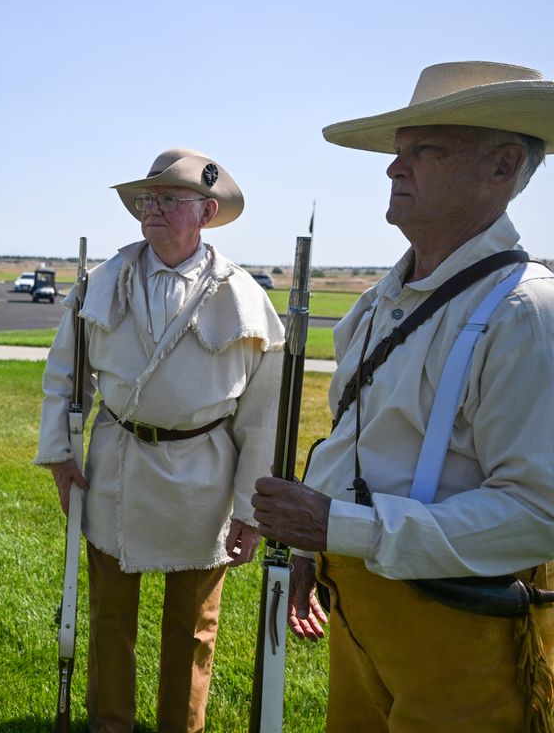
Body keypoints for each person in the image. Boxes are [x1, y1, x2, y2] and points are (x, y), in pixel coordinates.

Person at [252, 62, 554, 732]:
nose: (395, 169)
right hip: (360, 609)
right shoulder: (375, 303)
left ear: (502, 166)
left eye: (426, 152)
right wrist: (312, 550)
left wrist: (339, 528)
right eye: (399, 152)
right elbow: (352, 435)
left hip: (466, 631)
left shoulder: (525, 313)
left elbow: (538, 513)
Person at [36, 149, 285, 732]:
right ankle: (109, 724)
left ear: (206, 211)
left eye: (169, 200)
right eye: (149, 200)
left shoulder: (244, 297)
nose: (154, 210)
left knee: (193, 624)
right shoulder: (101, 283)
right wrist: (61, 454)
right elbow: (64, 375)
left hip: (203, 474)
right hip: (116, 467)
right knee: (109, 615)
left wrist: (251, 507)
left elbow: (263, 415)